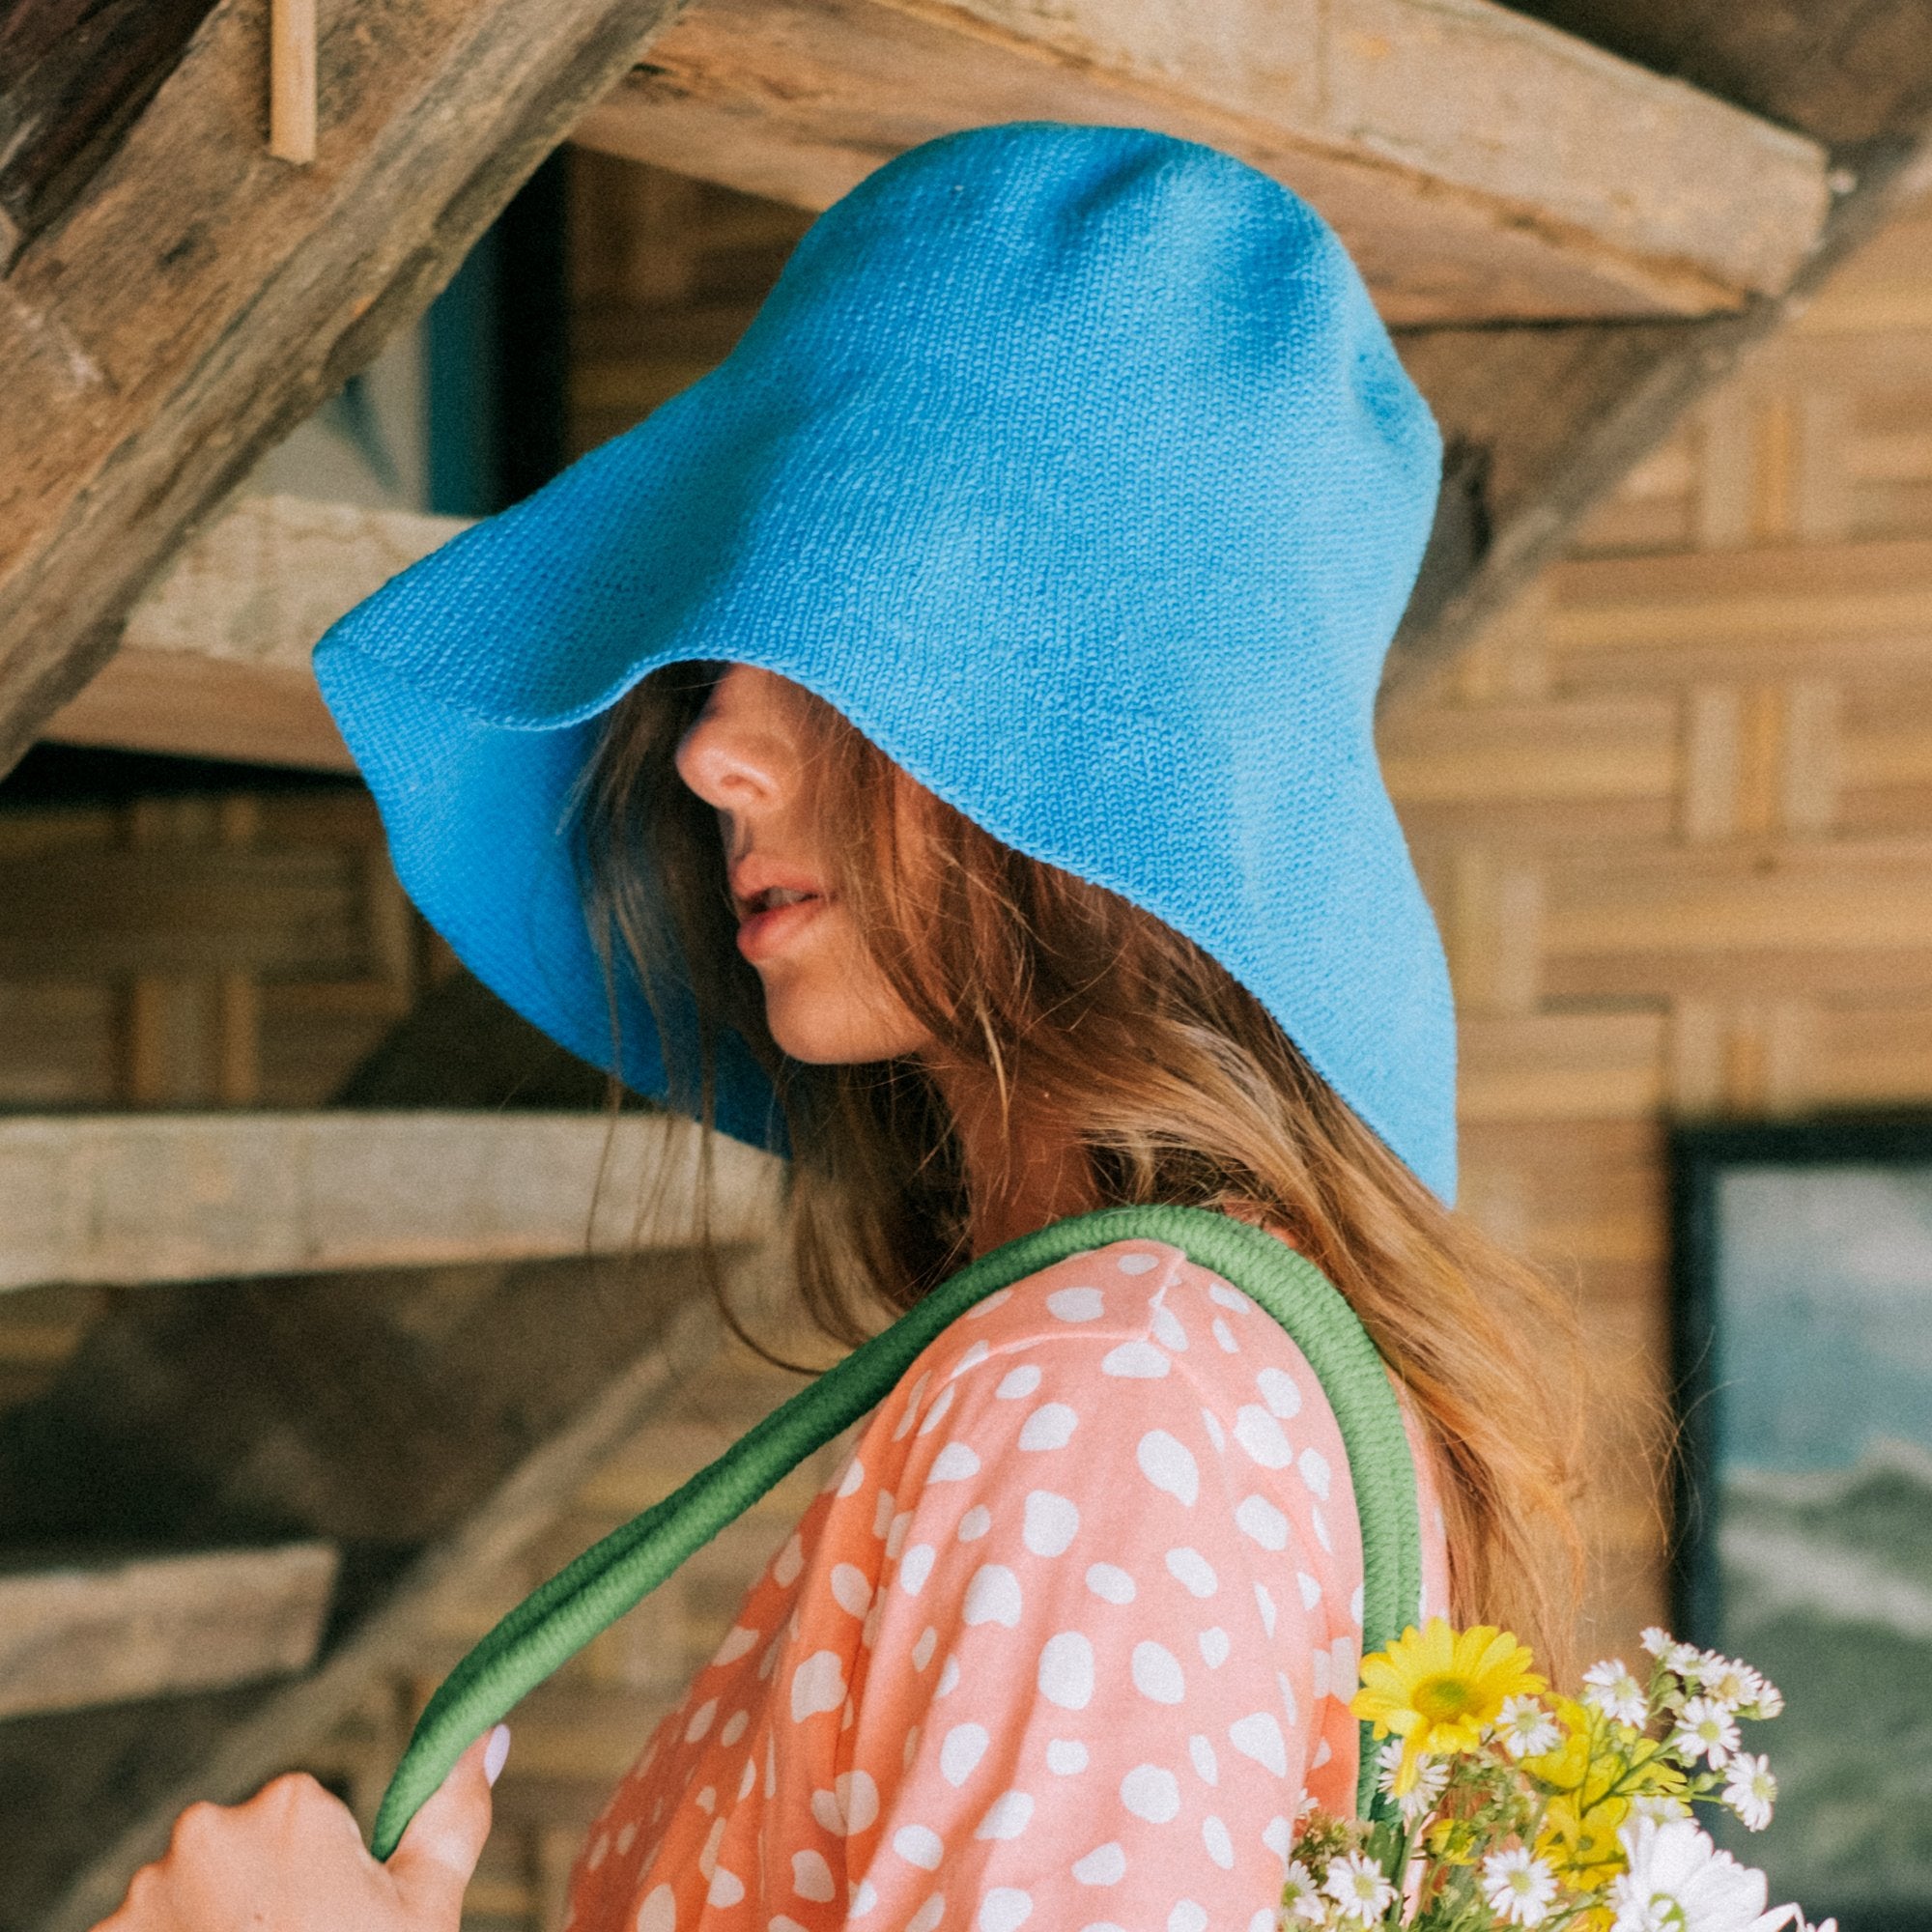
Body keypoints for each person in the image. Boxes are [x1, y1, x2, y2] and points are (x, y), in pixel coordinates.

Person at [96, 120, 1578, 1932]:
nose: (710, 750)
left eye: (826, 639)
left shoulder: (1110, 1402)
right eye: (725, 653)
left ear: (1077, 722)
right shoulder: (1148, 1368)